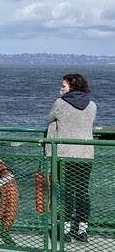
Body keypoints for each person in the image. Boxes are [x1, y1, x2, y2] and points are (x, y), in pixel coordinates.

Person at [46, 73, 97, 243]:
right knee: (82, 192)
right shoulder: (92, 105)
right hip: (86, 155)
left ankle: (65, 232)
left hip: (65, 155)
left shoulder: (60, 104)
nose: (61, 89)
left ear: (71, 87)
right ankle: (82, 231)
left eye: (63, 86)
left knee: (67, 193)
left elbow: (49, 119)